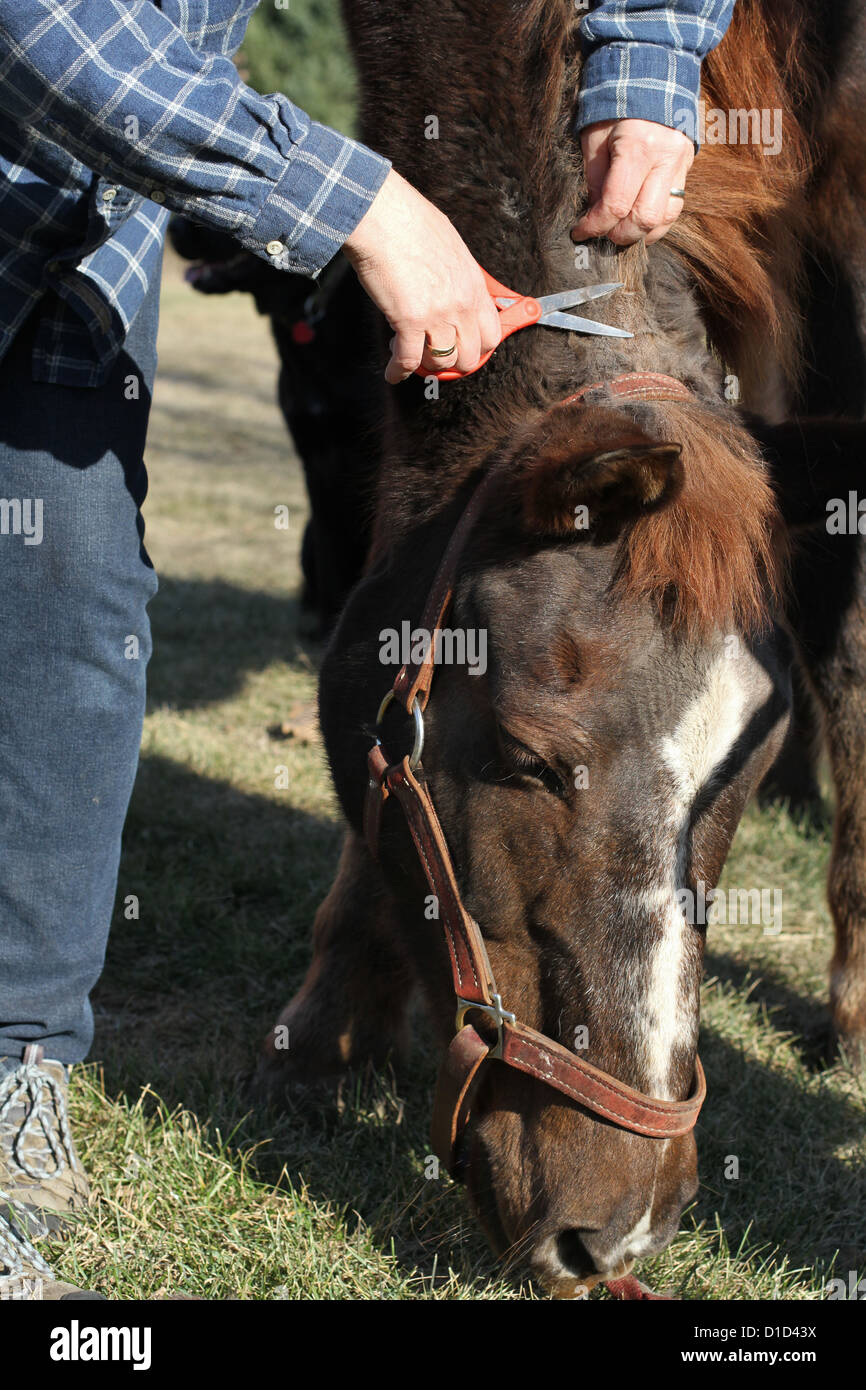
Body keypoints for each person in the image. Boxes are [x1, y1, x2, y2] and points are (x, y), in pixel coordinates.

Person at [0, 0, 735, 1300]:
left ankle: (16, 1064)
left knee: (77, 615)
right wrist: (362, 202)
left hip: (77, 249)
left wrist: (652, 57)